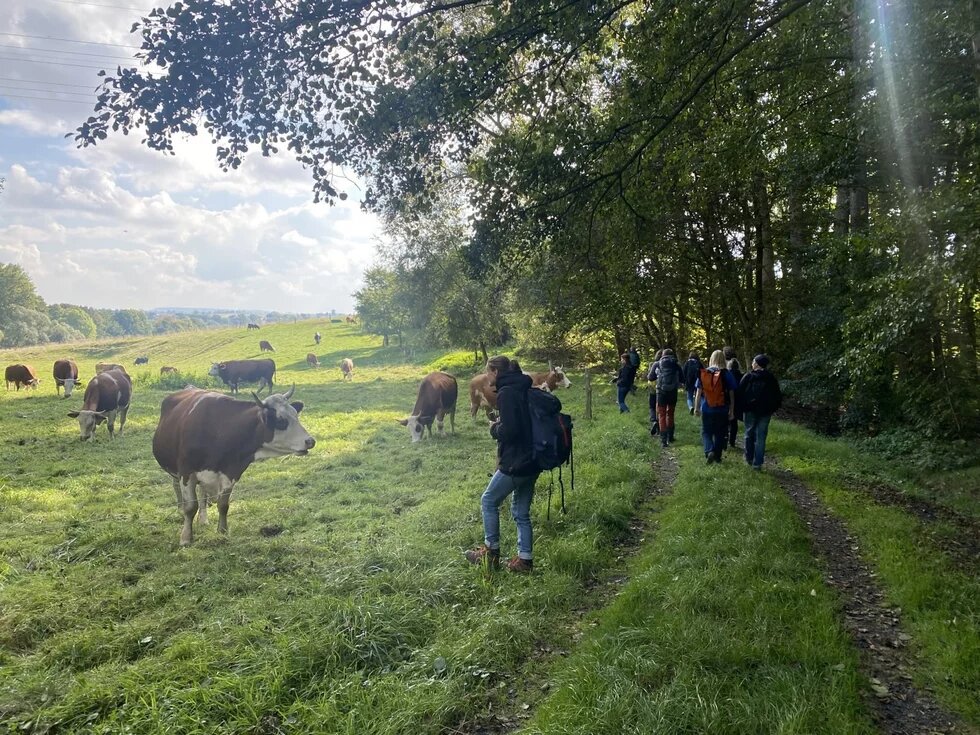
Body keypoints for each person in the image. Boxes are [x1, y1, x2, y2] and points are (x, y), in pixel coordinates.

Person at [466, 356, 540, 573]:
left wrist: (494, 428)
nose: (486, 376)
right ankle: (525, 560)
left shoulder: (507, 393)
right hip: (534, 459)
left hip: (516, 461)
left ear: (495, 372)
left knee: (488, 500)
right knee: (521, 511)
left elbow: (511, 431)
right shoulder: (524, 385)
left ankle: (490, 553)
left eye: (487, 372)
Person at [738, 354, 783, 470]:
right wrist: (772, 409)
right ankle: (758, 463)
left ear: (757, 363)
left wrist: (742, 407)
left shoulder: (748, 376)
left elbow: (739, 392)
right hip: (766, 412)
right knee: (761, 437)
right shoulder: (771, 378)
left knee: (749, 433)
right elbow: (778, 396)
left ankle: (748, 458)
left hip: (749, 411)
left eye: (753, 361)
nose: (752, 363)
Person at [694, 349, 738, 464]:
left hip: (707, 408)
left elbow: (698, 393)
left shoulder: (704, 373)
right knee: (720, 432)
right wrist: (732, 410)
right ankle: (717, 456)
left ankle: (709, 451)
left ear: (711, 359)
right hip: (722, 408)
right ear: (723, 359)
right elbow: (732, 394)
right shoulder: (727, 374)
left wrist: (696, 408)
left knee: (706, 431)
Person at [654, 348, 682, 447]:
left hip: (661, 392)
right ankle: (670, 436)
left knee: (661, 415)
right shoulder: (676, 365)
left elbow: (650, 377)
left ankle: (663, 440)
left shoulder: (657, 364)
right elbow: (682, 379)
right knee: (670, 413)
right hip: (673, 392)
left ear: (663, 355)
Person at [723, 346, 744, 450]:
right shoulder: (741, 374)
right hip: (738, 399)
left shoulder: (726, 372)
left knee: (726, 420)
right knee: (734, 421)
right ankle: (732, 440)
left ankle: (725, 438)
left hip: (727, 398)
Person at [646, 349, 663, 434]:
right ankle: (660, 424)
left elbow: (649, 376)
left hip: (653, 387)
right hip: (662, 388)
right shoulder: (667, 365)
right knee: (660, 406)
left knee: (652, 406)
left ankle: (654, 420)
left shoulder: (652, 364)